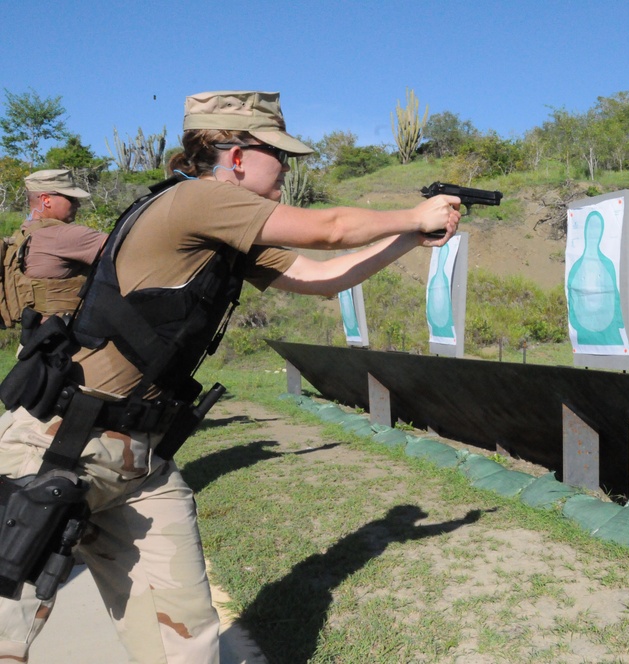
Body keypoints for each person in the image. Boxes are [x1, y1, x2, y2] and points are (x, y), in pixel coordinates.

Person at [0, 90, 460, 662]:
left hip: (138, 460)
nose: (287, 169)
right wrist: (417, 212)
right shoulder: (198, 200)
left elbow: (324, 276)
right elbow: (332, 229)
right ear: (236, 155)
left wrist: (409, 239)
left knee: (185, 642)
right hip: (57, 447)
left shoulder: (222, 228)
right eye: (279, 156)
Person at [18, 169, 107, 320]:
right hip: (68, 335)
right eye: (71, 198)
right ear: (46, 200)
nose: (78, 204)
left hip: (35, 334)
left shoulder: (25, 231)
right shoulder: (62, 235)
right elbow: (127, 248)